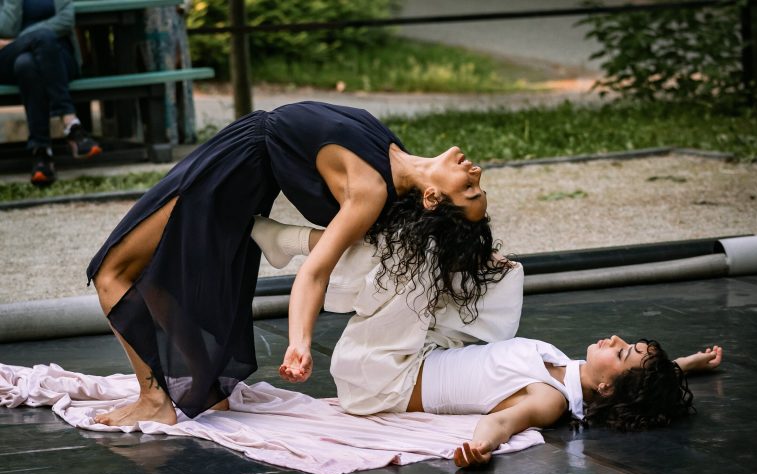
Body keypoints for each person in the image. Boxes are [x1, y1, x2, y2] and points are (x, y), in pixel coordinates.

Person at [87, 101, 509, 427]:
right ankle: (204, 389)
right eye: (477, 184)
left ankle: (154, 400)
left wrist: (299, 342)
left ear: (433, 198)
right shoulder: (393, 158)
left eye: (470, 189)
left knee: (111, 271)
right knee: (156, 274)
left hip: (231, 170)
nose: (475, 172)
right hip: (240, 160)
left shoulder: (370, 190)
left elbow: (315, 273)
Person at [254, 221, 724, 468]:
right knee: (506, 273)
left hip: (380, 377)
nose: (617, 340)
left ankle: (289, 241)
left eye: (622, 353)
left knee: (414, 258)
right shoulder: (573, 371)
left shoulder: (549, 399)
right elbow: (637, 386)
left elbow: (503, 421)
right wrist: (684, 365)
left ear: (605, 388)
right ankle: (340, 262)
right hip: (424, 353)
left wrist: (480, 447)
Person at [0, 0, 101, 187]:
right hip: (10, 55)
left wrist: (27, 38)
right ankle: (70, 123)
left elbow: (65, 20)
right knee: (38, 42)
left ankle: (41, 152)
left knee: (27, 64)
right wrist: (28, 39)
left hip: (58, 56)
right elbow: (5, 27)